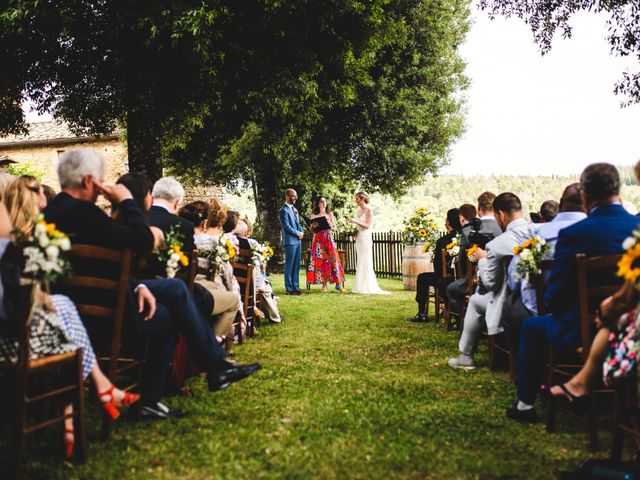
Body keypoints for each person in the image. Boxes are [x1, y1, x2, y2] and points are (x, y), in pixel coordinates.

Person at [44, 148, 260, 419]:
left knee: (175, 290)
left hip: (76, 309)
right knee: (172, 312)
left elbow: (101, 266)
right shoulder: (86, 214)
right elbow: (142, 238)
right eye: (100, 182)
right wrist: (125, 202)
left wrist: (138, 285)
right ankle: (197, 375)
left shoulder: (50, 213)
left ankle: (212, 368)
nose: (102, 191)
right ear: (89, 181)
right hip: (102, 318)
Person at [0, 176, 139, 457]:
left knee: (64, 314)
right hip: (19, 339)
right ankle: (96, 394)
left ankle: (77, 413)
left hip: (33, 329)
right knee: (64, 310)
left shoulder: (27, 242)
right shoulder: (21, 244)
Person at [507, 163, 639, 423]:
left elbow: (557, 293)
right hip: (632, 325)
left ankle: (524, 405)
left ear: (586, 195)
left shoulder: (574, 234)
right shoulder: (637, 227)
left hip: (580, 328)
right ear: (618, 189)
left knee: (532, 326)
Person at [448, 193, 531, 370]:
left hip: (510, 304)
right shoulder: (539, 235)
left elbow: (491, 284)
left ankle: (466, 356)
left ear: (500, 215)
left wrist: (483, 260)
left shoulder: (498, 244)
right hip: (538, 303)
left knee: (476, 301)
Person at [502, 184, 587, 355]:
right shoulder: (600, 234)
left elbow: (514, 278)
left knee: (510, 304)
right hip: (598, 316)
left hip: (546, 315)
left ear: (561, 205)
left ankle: (526, 368)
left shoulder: (537, 234)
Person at [193, 198, 243, 340]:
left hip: (189, 285)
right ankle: (215, 341)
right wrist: (229, 289)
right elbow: (227, 273)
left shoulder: (192, 238)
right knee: (233, 299)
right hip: (209, 288)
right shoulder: (219, 244)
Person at [447, 194, 502, 313]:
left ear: (478, 208)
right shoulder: (503, 227)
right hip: (503, 279)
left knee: (451, 289)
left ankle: (465, 316)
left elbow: (462, 259)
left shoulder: (469, 230)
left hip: (478, 280)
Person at [408, 208, 461, 322]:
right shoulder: (464, 238)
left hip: (445, 278)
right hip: (462, 277)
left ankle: (422, 313)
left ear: (448, 223)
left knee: (422, 278)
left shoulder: (442, 241)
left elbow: (438, 267)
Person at [348, 192, 389, 295]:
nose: (356, 200)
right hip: (359, 238)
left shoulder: (369, 210)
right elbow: (358, 226)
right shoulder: (358, 211)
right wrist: (353, 233)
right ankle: (359, 286)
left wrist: (355, 221)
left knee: (365, 260)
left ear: (362, 199)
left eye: (357, 199)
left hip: (365, 238)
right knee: (360, 260)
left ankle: (367, 286)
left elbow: (367, 225)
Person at [306, 196, 345, 293]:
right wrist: (314, 227)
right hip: (318, 240)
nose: (323, 203)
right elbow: (311, 230)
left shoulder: (329, 214)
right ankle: (324, 285)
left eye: (324, 201)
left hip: (328, 238)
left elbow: (334, 228)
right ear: (317, 203)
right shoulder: (314, 215)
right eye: (321, 201)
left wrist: (330, 225)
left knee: (333, 260)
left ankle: (338, 284)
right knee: (322, 261)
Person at [279, 188, 304, 295]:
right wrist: (297, 233)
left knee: (296, 265)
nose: (295, 198)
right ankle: (289, 289)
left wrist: (301, 232)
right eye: (293, 196)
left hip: (298, 241)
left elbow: (298, 224)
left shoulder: (295, 210)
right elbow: (286, 227)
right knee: (289, 265)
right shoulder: (283, 210)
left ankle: (296, 288)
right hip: (290, 241)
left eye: (295, 196)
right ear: (287, 196)